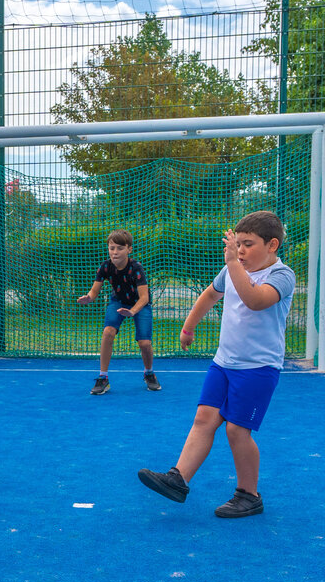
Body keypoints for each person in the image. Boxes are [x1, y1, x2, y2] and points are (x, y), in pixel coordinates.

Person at [137, 211, 296, 519]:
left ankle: (249, 495)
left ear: (272, 245)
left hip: (258, 368)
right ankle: (178, 478)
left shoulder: (281, 275)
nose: (240, 251)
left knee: (237, 431)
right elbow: (211, 295)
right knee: (204, 418)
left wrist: (233, 264)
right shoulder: (232, 269)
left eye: (247, 244)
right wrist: (189, 326)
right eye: (237, 244)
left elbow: (255, 300)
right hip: (223, 363)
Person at [76, 229, 159, 394]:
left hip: (139, 304)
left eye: (120, 248)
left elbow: (144, 298)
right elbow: (94, 291)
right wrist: (89, 297)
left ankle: (149, 373)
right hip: (118, 301)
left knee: (144, 343)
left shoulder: (136, 268)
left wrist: (133, 311)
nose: (115, 252)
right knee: (108, 332)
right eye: (111, 247)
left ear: (129, 249)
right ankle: (103, 378)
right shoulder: (105, 267)